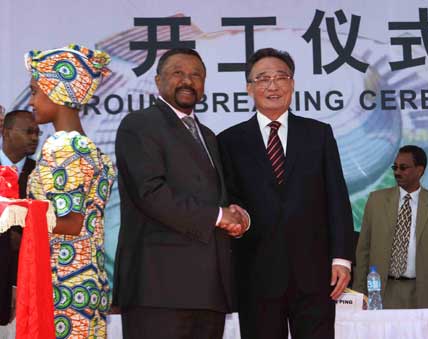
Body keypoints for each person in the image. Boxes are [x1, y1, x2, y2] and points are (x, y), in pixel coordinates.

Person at [218, 48, 354, 339]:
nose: (272, 85)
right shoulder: (229, 141)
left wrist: (341, 258)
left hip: (315, 274)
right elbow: (228, 201)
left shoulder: (319, 134)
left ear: (292, 84)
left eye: (281, 77)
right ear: (249, 88)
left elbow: (337, 198)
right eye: (263, 78)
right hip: (256, 274)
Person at [113, 48, 249, 339]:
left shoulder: (209, 136)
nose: (188, 80)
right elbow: (150, 193)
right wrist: (217, 215)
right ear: (158, 80)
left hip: (208, 290)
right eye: (178, 73)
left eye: (196, 75)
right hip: (158, 288)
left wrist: (238, 216)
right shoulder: (140, 125)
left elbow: (217, 197)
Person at [25, 44, 115, 338]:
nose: (31, 101)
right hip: (87, 282)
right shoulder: (91, 149)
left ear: (58, 92)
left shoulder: (62, 147)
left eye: (36, 91)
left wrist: (11, 210)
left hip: (61, 283)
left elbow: (69, 223)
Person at [354, 145, 428, 308]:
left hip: (426, 296)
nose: (397, 172)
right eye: (395, 167)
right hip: (381, 293)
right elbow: (363, 250)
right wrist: (359, 294)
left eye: (403, 167)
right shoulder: (376, 201)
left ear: (420, 171)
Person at [0, 110, 39, 325]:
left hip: (27, 280)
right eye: (28, 131)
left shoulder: (41, 174)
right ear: (6, 133)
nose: (34, 137)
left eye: (37, 132)